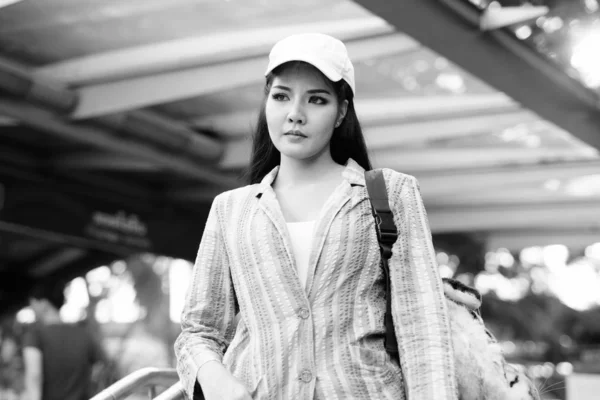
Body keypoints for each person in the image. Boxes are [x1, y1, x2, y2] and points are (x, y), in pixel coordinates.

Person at [175, 33, 457, 400]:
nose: (295, 113)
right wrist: (218, 381)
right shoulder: (231, 209)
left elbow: (423, 326)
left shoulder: (389, 193)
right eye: (281, 96)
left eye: (317, 99)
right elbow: (198, 330)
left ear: (341, 111)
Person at [22, 284, 107, 400]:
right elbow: (101, 368)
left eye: (33, 303)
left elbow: (34, 376)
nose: (31, 307)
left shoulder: (35, 335)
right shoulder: (83, 334)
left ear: (44, 303)